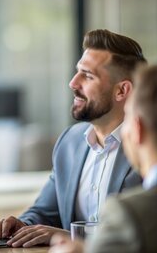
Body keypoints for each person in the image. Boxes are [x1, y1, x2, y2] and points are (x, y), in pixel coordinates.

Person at [0, 29, 146, 247]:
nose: (73, 83)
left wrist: (65, 236)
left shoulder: (146, 146)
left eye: (88, 76)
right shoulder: (69, 142)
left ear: (122, 91)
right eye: (77, 72)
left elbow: (143, 234)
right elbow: (45, 212)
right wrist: (23, 224)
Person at [50, 64, 157, 253]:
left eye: (128, 118)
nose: (73, 83)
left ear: (137, 129)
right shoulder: (69, 142)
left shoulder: (129, 213)